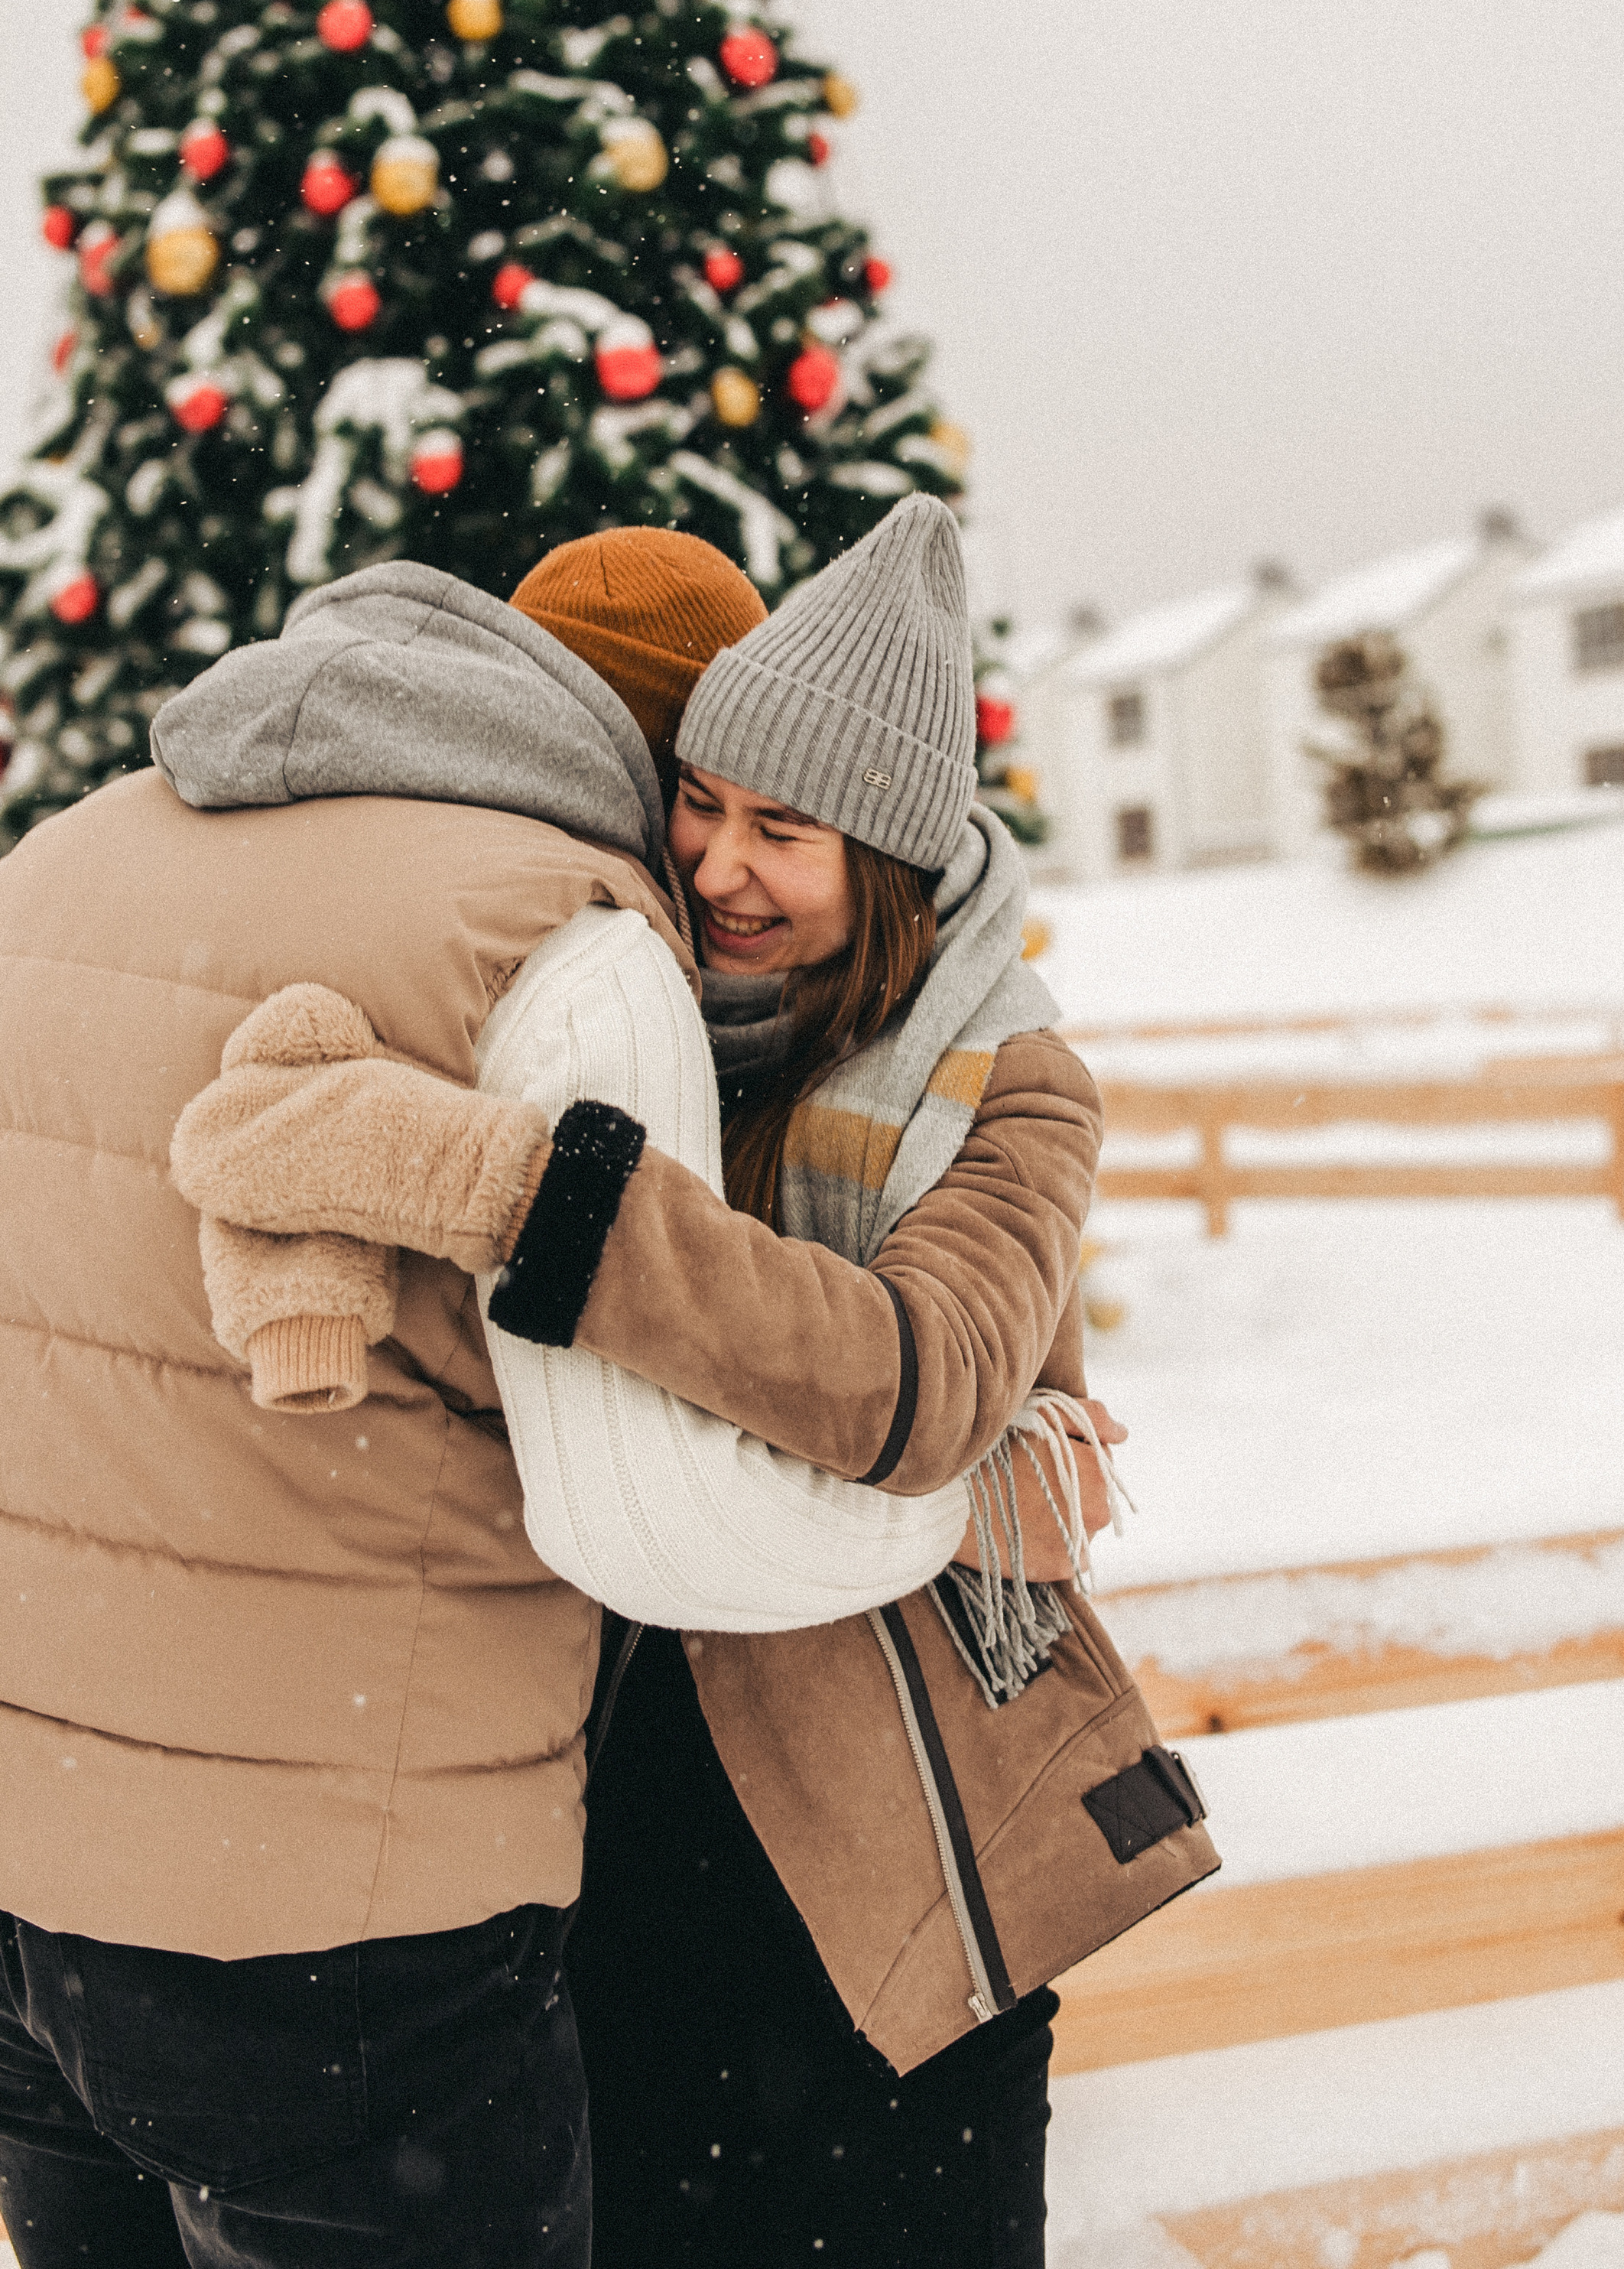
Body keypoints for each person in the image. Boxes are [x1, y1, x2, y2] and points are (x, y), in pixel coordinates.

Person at [171, 499, 1220, 2268]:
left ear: (881, 855)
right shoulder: (622, 1006)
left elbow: (927, 1379)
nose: (723, 863)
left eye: (783, 832)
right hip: (618, 1831)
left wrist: (517, 1188)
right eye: (703, 806)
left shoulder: (1006, 1085)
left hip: (887, 1844)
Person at [0, 528, 989, 2269]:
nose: (718, 863)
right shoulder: (575, 944)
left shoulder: (61, 859)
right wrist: (953, 1494)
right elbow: (656, 1528)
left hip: (28, 1885)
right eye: (711, 799)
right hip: (350, 1932)